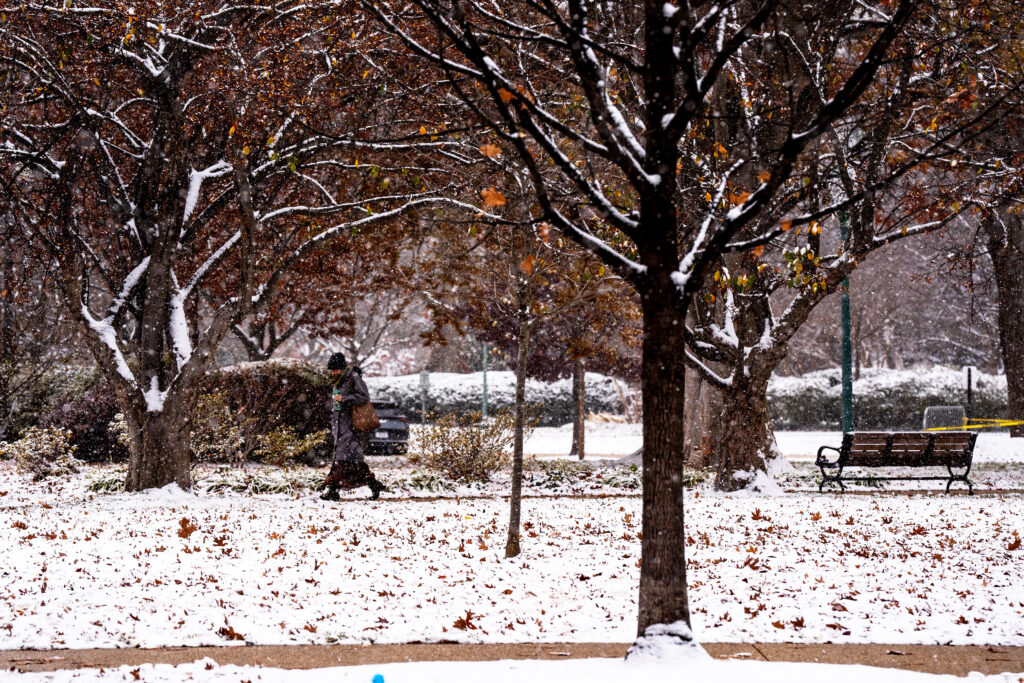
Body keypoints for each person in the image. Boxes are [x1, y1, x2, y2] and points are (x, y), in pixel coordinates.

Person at [321, 352, 386, 501]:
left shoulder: (353, 378)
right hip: (341, 426)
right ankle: (373, 484)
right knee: (354, 463)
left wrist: (345, 398)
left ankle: (333, 490)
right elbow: (337, 407)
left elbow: (364, 397)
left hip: (352, 427)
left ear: (342, 368)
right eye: (331, 370)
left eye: (335, 369)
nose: (332, 373)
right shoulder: (337, 382)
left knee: (342, 461)